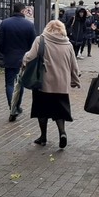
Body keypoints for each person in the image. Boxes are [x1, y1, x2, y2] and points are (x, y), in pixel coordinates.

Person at [22, 20, 80, 148]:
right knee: (60, 111)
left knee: (42, 110)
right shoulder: (68, 44)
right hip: (61, 85)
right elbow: (74, 65)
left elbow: (30, 57)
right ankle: (62, 133)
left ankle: (43, 137)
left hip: (43, 83)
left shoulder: (40, 40)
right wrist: (75, 80)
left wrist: (24, 60)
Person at [0, 2, 37, 120]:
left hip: (9, 57)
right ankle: (17, 106)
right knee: (20, 83)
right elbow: (33, 43)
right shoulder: (29, 25)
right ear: (23, 11)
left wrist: (5, 52)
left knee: (9, 84)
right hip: (23, 58)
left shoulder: (5, 23)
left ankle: (12, 107)